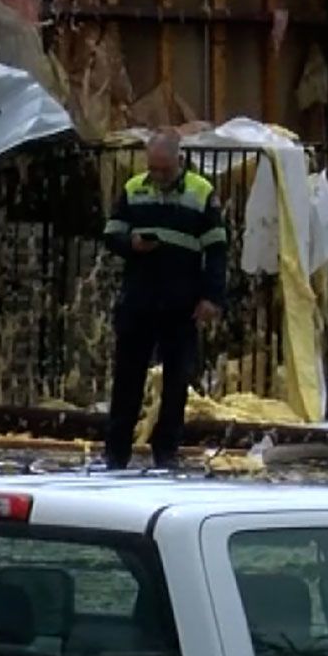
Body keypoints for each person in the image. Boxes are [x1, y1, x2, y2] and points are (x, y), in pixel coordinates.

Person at [101, 132, 227, 470]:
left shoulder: (201, 193)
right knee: (127, 380)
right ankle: (116, 452)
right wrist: (131, 243)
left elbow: (216, 250)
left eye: (164, 170)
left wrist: (211, 297)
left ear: (180, 162)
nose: (157, 176)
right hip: (139, 299)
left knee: (176, 383)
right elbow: (112, 233)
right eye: (153, 169)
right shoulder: (133, 189)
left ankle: (166, 452)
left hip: (180, 302)